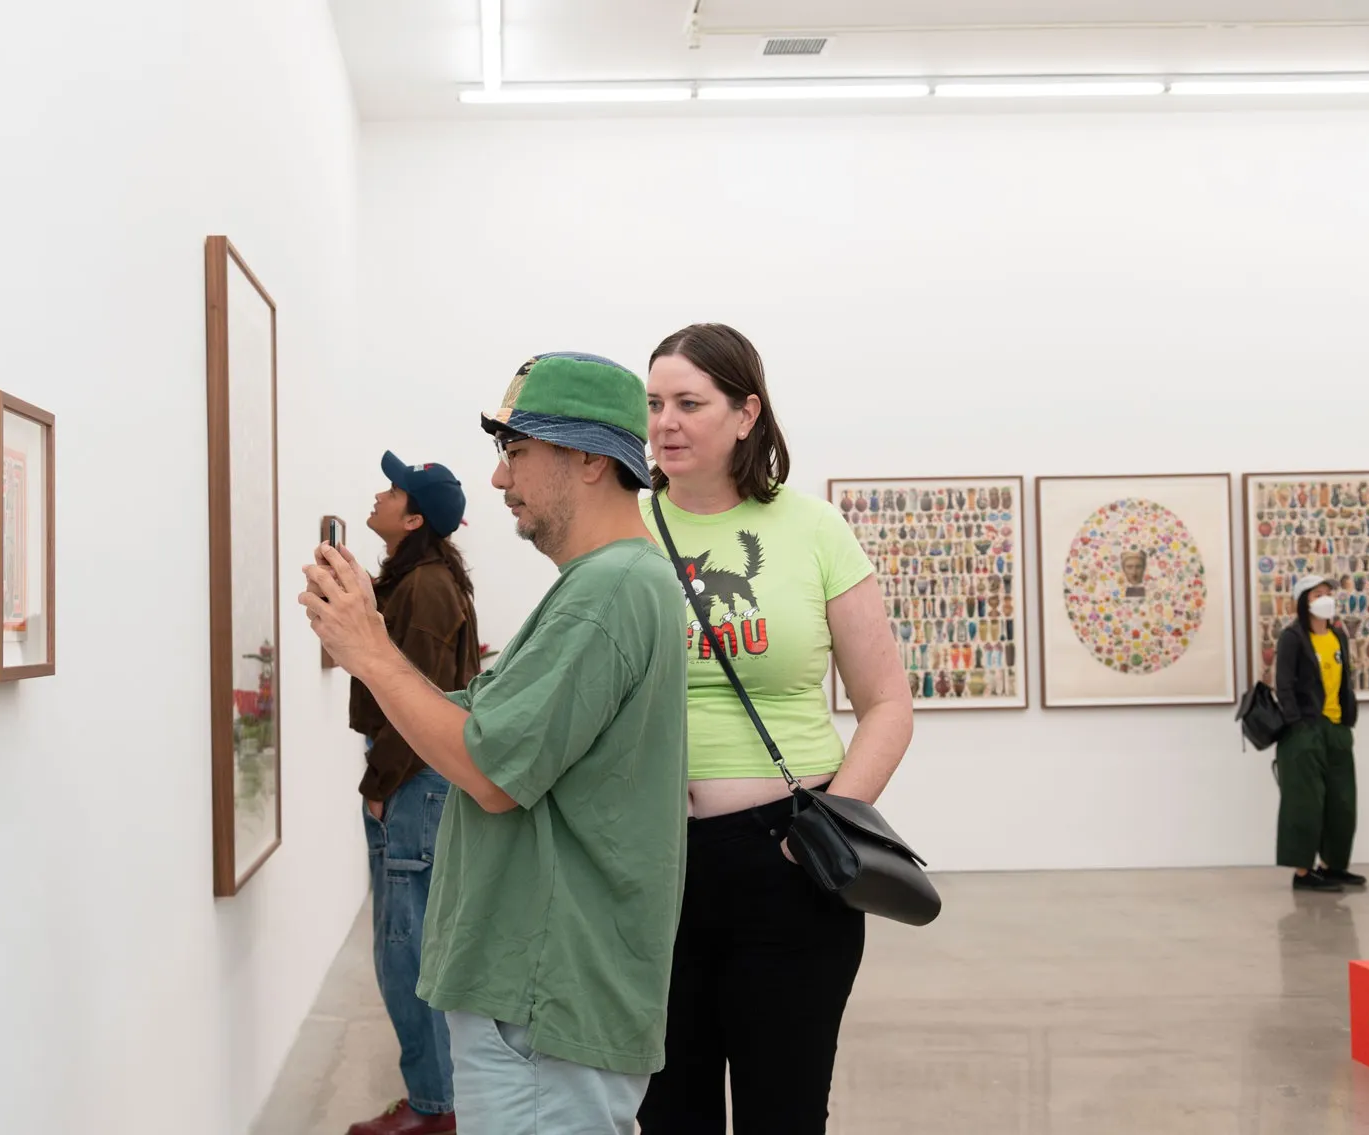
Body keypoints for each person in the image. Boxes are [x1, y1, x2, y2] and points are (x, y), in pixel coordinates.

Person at [301, 352, 688, 1135]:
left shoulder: (609, 590)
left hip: (544, 1003)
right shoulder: (604, 583)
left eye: (516, 452)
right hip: (541, 997)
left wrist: (370, 650)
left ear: (585, 458)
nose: (501, 480)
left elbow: (488, 768)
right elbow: (483, 725)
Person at [637, 323, 914, 1135]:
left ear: (746, 413)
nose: (666, 422)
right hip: (650, 867)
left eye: (690, 402)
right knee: (666, 1116)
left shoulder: (813, 529)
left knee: (782, 1113)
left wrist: (821, 827)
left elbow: (888, 705)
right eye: (654, 404)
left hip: (787, 866)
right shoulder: (624, 529)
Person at [344, 452, 480, 1135]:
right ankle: (438, 1098)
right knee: (409, 943)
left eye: (392, 489)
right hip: (411, 778)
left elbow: (414, 703)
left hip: (411, 781)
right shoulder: (420, 579)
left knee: (407, 950)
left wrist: (379, 785)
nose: (379, 493)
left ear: (415, 516)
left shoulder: (425, 586)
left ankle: (436, 1108)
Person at [1275, 574, 1364, 892]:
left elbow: (1344, 681)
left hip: (1337, 728)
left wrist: (1347, 719)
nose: (1326, 598)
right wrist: (1297, 723)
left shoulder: (1338, 636)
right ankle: (1302, 873)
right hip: (1305, 731)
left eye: (1328, 593)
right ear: (1303, 601)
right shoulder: (1293, 637)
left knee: (1342, 801)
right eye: (1317, 594)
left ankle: (1332, 867)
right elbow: (1283, 685)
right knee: (1305, 802)